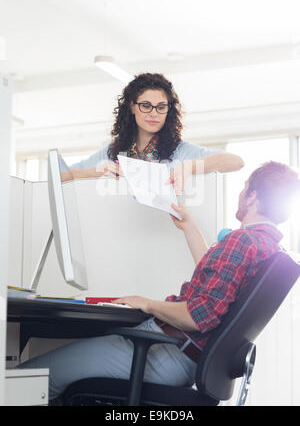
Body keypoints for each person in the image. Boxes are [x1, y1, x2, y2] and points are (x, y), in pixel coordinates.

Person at [19, 161, 300, 403]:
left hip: (165, 352)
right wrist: (190, 228)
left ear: (252, 197)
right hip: (188, 359)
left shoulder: (241, 241)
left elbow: (197, 317)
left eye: (244, 187)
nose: (241, 193)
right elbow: (217, 284)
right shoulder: (267, 247)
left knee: (36, 377)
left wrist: (147, 304)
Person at [70, 72, 244, 193]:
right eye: (146, 106)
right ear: (132, 107)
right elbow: (61, 176)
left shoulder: (181, 152)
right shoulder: (112, 152)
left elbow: (236, 162)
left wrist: (189, 166)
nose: (153, 113)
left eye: (161, 107)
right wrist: (94, 172)